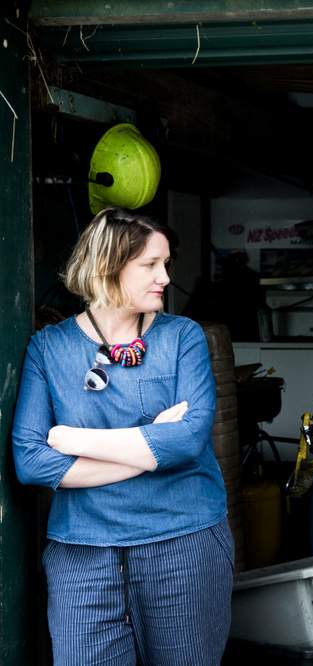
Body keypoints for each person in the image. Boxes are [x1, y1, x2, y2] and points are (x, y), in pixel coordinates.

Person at [13, 207, 233, 665]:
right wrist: (152, 443)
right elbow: (31, 461)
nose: (165, 278)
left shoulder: (182, 338)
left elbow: (189, 439)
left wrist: (73, 439)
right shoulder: (49, 347)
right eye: (151, 265)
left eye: (166, 264)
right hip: (83, 557)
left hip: (183, 545)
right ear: (108, 266)